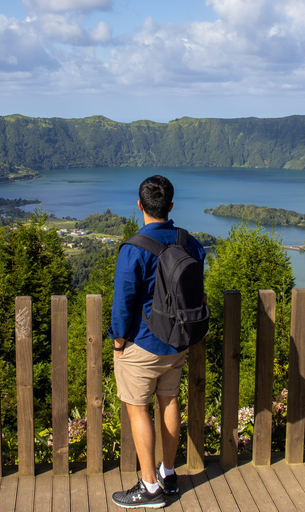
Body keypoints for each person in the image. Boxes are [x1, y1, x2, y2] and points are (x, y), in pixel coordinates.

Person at [109, 175, 206, 509]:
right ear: (171, 206)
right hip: (178, 343)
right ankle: (168, 473)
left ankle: (150, 489)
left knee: (138, 410)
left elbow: (123, 302)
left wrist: (118, 342)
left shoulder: (134, 248)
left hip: (143, 345)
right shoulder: (188, 241)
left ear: (140, 206)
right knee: (169, 402)